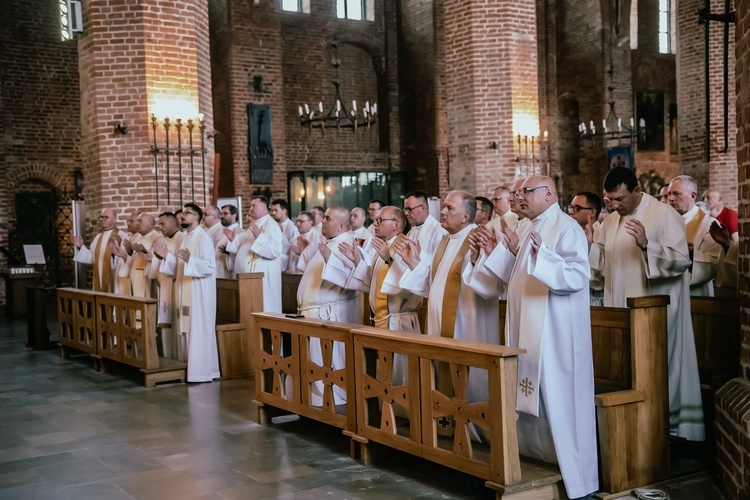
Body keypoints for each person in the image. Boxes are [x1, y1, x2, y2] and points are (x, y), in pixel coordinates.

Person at [463, 176, 598, 499]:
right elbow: (515, 275)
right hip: (525, 329)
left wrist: (544, 257)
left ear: (549, 193)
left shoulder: (567, 227)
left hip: (555, 335)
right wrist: (497, 251)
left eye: (526, 191)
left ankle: (575, 479)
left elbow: (578, 275)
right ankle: (536, 461)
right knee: (528, 401)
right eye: (518, 192)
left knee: (558, 402)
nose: (519, 197)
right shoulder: (525, 227)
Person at [590, 167, 704, 441]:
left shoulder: (664, 215)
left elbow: (681, 262)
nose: (615, 206)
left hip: (657, 312)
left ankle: (665, 429)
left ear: (637, 191)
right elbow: (598, 268)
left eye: (620, 199)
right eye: (609, 200)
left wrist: (646, 245)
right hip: (620, 311)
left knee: (657, 367)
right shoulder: (610, 222)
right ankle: (634, 429)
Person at [396, 191, 499, 405]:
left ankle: (472, 429)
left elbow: (492, 286)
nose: (442, 211)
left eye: (449, 208)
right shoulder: (445, 241)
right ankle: (448, 424)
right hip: (438, 325)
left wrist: (476, 260)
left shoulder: (477, 239)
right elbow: (435, 283)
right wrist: (414, 262)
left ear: (465, 216)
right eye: (443, 207)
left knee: (469, 388)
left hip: (466, 327)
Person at [340, 206, 421, 385]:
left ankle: (401, 412)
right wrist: (356, 260)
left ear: (396, 224)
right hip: (382, 319)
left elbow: (411, 285)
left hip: (399, 321)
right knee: (385, 374)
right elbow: (374, 281)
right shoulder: (384, 246)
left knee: (401, 375)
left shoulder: (405, 246)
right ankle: (387, 409)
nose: (374, 224)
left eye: (380, 221)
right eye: (375, 220)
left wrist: (388, 259)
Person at [295, 207, 358, 406]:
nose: (322, 221)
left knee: (329, 361)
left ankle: (332, 397)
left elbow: (352, 279)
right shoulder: (330, 242)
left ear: (341, 225)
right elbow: (311, 271)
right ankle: (316, 397)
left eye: (327, 218)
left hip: (331, 314)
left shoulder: (347, 245)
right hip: (314, 313)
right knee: (315, 360)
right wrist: (308, 251)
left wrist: (330, 259)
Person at [153, 203, 219, 382]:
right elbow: (179, 268)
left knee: (197, 330)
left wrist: (192, 260)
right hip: (185, 289)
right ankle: (188, 368)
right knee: (187, 330)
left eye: (187, 213)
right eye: (182, 212)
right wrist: (167, 257)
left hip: (198, 293)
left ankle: (202, 372)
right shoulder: (186, 238)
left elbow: (209, 266)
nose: (182, 216)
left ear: (197, 217)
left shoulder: (203, 238)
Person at [225, 196, 283, 313]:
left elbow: (275, 251)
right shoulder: (256, 224)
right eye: (250, 205)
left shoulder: (271, 225)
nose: (250, 208)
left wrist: (259, 237)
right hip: (248, 282)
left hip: (262, 282)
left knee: (264, 309)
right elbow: (246, 249)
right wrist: (235, 240)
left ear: (264, 207)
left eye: (253, 206)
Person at [668, 176, 723, 296]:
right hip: (666, 289)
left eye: (676, 194)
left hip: (695, 292)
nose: (671, 198)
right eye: (669, 194)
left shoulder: (708, 224)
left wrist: (693, 255)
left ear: (693, 196)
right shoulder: (664, 222)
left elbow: (716, 263)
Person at [150, 212, 184, 359]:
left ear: (173, 222)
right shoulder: (164, 240)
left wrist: (166, 257)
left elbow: (181, 267)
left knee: (175, 325)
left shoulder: (182, 239)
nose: (159, 227)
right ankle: (167, 356)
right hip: (163, 286)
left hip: (174, 288)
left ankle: (177, 358)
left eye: (162, 223)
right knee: (165, 328)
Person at [568, 191, 604, 306]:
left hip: (595, 297)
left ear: (592, 212)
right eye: (571, 207)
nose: (571, 212)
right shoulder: (570, 233)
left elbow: (603, 267)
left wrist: (589, 246)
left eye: (577, 208)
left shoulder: (602, 233)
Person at [72, 208, 120, 292]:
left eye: (106, 217)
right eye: (101, 217)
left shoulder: (120, 236)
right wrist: (80, 246)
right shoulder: (98, 238)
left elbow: (123, 259)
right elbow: (92, 258)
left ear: (115, 219)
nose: (102, 219)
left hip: (115, 280)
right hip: (99, 279)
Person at [403, 190, 447, 263]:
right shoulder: (411, 232)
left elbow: (438, 263)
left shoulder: (438, 231)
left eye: (409, 209)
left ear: (423, 208)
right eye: (405, 209)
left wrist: (419, 254)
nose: (406, 213)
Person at [128, 212, 160, 299]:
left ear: (150, 224)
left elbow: (160, 263)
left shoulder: (158, 238)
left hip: (147, 281)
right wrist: (129, 252)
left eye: (140, 221)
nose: (136, 223)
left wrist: (149, 258)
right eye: (136, 221)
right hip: (135, 279)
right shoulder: (138, 237)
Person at [270, 199, 299, 273]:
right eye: (272, 210)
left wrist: (281, 234)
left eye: (276, 210)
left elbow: (293, 250)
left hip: (285, 268)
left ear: (284, 211)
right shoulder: (271, 225)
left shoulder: (292, 228)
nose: (273, 213)